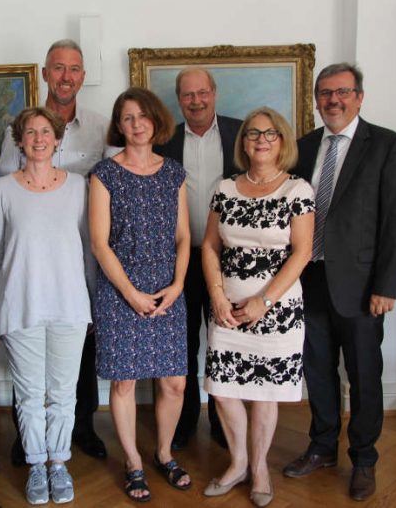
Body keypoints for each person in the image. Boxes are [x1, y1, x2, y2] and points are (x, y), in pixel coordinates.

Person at [283, 63, 396, 501]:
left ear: (359, 96)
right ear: (317, 99)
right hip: (309, 280)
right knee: (317, 370)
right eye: (325, 93)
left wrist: (388, 285)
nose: (333, 100)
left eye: (342, 92)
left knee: (363, 373)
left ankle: (364, 459)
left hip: (362, 287)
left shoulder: (388, 146)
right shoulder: (301, 148)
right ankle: (322, 447)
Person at [0, 39, 109, 462]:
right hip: (28, 260)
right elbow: (7, 191)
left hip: (78, 253)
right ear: (45, 74)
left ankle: (81, 428)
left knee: (77, 349)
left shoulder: (100, 127)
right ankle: (27, 435)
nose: (66, 76)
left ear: (83, 76)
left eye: (74, 69)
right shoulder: (18, 128)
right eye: (58, 68)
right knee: (27, 359)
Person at [201, 107, 314, 507]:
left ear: (282, 141)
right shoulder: (225, 188)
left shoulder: (296, 191)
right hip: (227, 308)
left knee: (264, 393)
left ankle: (260, 468)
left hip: (277, 310)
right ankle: (238, 464)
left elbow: (301, 253)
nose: (261, 140)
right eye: (252, 134)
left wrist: (263, 301)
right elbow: (211, 245)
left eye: (270, 134)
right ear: (243, 142)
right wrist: (217, 295)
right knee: (225, 390)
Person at [0, 107, 93, 505]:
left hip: (70, 304)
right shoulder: (1, 190)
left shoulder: (79, 186)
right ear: (19, 140)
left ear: (58, 138)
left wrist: (94, 301)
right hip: (19, 304)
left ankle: (59, 463)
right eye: (29, 132)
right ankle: (35, 465)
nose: (38, 138)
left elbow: (90, 251)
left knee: (64, 393)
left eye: (46, 131)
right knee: (29, 395)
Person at [89, 87, 191, 502]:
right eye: (127, 117)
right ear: (119, 125)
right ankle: (133, 461)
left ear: (156, 120)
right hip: (120, 292)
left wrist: (179, 284)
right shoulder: (104, 174)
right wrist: (130, 293)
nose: (136, 124)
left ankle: (164, 453)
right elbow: (99, 243)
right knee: (125, 383)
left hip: (169, 290)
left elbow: (184, 236)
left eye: (143, 116)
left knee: (175, 383)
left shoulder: (174, 173)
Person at [154, 67, 241, 450]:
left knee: (226, 341)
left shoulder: (242, 134)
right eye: (188, 95)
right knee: (183, 343)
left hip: (232, 257)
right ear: (179, 99)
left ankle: (225, 424)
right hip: (181, 259)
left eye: (202, 93)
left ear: (215, 93)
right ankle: (185, 423)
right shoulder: (164, 142)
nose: (196, 101)